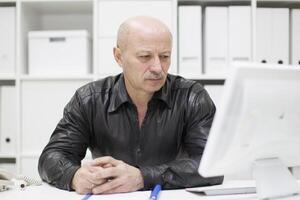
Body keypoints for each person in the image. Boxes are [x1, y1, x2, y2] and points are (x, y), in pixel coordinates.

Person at [38, 16, 223, 195]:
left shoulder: (192, 96)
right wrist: (74, 176)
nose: (158, 67)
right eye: (145, 56)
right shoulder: (89, 99)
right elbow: (51, 157)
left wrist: (142, 177)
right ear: (119, 57)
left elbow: (212, 166)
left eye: (165, 56)